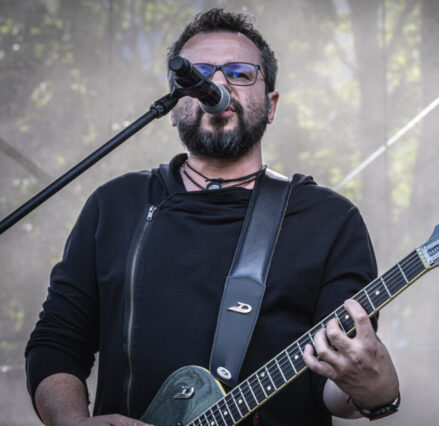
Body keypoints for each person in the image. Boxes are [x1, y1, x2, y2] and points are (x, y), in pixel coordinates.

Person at [25, 8, 399, 426]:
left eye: (240, 73)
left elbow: (334, 384)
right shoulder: (114, 205)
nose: (217, 84)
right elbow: (57, 343)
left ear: (271, 105)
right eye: (197, 74)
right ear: (172, 107)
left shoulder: (328, 219)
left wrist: (373, 389)